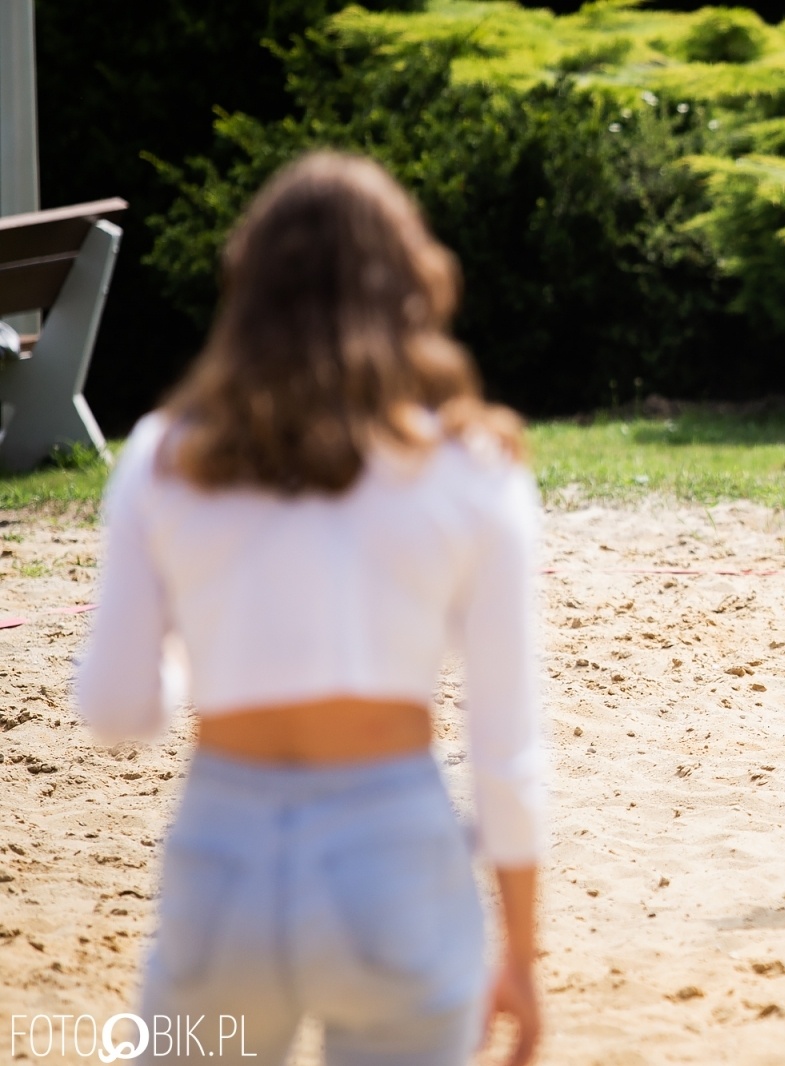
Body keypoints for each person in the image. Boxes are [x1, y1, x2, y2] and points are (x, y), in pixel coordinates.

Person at [74, 152, 546, 1064]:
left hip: (225, 862)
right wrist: (521, 954)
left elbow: (114, 709)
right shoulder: (475, 468)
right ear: (413, 284)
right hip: (396, 861)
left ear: (248, 287)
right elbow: (508, 755)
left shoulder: (165, 456)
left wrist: (199, 659)